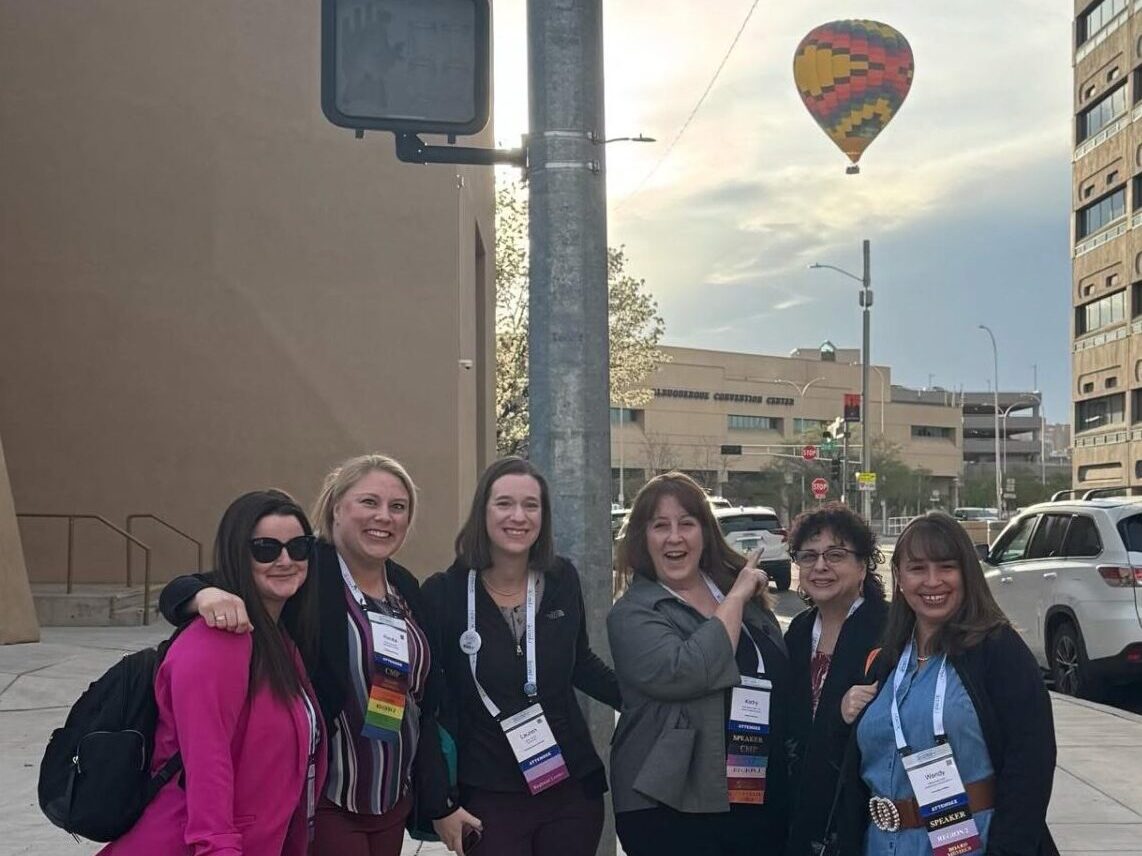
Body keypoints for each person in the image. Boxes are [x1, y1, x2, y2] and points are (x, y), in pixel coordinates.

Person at [158, 455, 479, 856]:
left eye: (398, 507)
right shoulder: (305, 570)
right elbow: (191, 587)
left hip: (392, 799)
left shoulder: (403, 586)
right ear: (335, 508)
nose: (384, 516)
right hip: (328, 800)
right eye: (369, 502)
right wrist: (202, 595)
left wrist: (439, 802)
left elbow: (420, 705)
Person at [101, 489, 324, 855]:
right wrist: (218, 848)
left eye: (298, 548)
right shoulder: (218, 642)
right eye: (266, 549)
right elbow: (207, 762)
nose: (285, 559)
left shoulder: (280, 641)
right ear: (239, 554)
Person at [421, 456, 622, 856]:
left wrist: (644, 701)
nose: (519, 516)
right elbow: (428, 704)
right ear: (483, 511)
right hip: (487, 793)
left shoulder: (562, 578)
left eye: (531, 505)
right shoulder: (443, 593)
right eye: (504, 503)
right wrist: (439, 802)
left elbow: (579, 662)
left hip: (569, 789)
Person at [834, 512, 1058, 855]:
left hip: (971, 843)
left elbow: (1031, 767)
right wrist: (851, 711)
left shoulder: (998, 651)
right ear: (899, 576)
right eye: (918, 568)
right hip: (882, 845)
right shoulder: (888, 658)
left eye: (946, 567)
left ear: (967, 573)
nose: (933, 581)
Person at [608, 471, 789, 856]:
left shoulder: (737, 592)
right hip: (670, 804)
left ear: (704, 533)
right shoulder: (634, 613)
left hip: (754, 785)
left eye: (686, 524)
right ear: (643, 538)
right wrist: (737, 596)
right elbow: (689, 671)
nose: (675, 537)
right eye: (661, 526)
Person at [782, 503, 889, 856]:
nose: (821, 566)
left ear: (863, 565)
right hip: (804, 807)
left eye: (835, 554)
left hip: (866, 812)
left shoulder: (890, 630)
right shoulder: (797, 633)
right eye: (808, 557)